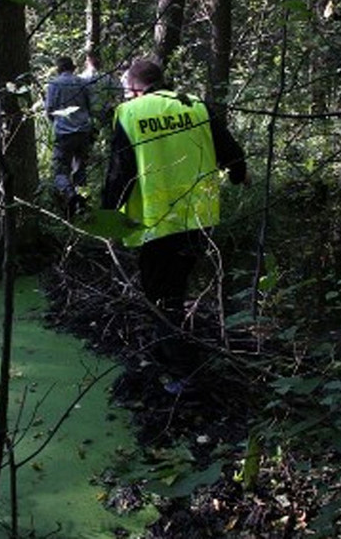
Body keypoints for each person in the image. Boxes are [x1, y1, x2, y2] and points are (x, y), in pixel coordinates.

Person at [101, 58, 249, 391]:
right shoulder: (195, 105)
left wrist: (107, 221)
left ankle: (183, 374)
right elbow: (231, 152)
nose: (126, 98)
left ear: (136, 88)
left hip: (157, 226)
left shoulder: (131, 113)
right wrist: (239, 175)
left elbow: (118, 174)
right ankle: (166, 354)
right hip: (199, 220)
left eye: (127, 92)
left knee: (162, 299)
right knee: (176, 290)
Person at [45, 55, 93, 217]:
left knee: (59, 170)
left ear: (59, 69)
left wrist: (57, 123)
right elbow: (90, 105)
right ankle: (82, 205)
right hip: (83, 132)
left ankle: (70, 195)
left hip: (64, 133)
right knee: (80, 169)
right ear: (72, 68)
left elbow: (49, 109)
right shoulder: (82, 82)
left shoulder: (54, 84)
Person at [79, 51, 122, 129]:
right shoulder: (106, 77)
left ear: (87, 62)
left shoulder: (81, 79)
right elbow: (119, 91)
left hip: (88, 114)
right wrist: (111, 104)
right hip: (104, 111)